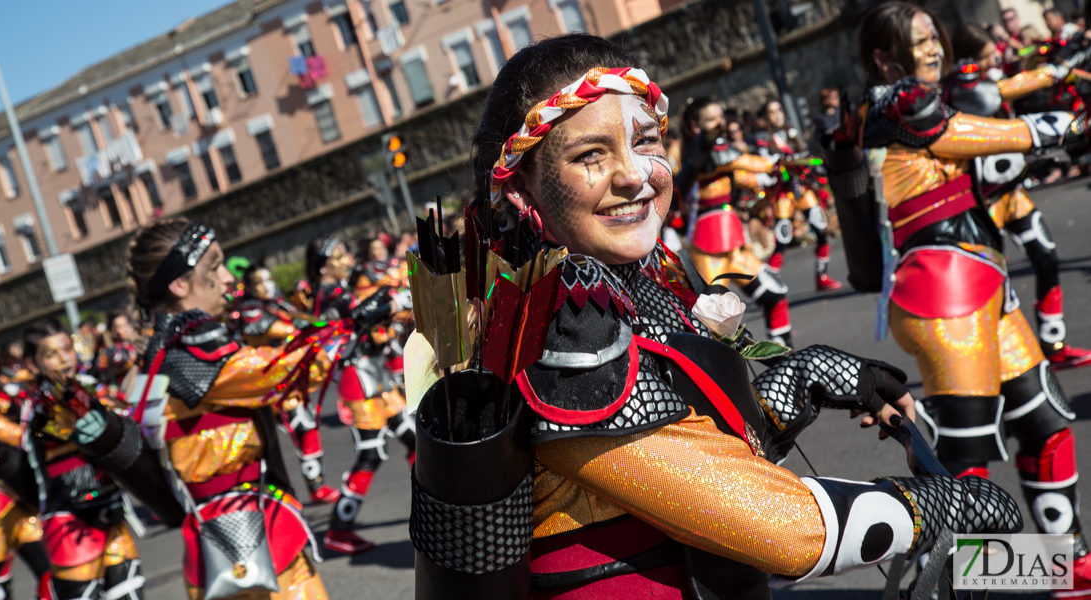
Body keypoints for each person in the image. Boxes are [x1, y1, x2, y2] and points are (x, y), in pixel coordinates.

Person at [407, 33, 1023, 598]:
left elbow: (698, 433)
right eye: (591, 155)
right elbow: (778, 529)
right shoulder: (552, 325)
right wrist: (929, 508)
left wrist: (814, 376)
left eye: (645, 140)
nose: (635, 176)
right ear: (521, 189)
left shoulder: (633, 277)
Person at [829, 3, 1091, 595]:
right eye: (918, 39)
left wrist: (1051, 74)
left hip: (986, 288)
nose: (932, 46)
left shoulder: (921, 96)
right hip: (943, 298)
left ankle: (1064, 569)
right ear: (883, 54)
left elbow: (982, 91)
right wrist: (1054, 128)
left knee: (1048, 427)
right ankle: (958, 584)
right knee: (963, 465)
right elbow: (957, 130)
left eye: (932, 36)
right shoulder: (896, 103)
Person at [82, 218, 331, 600]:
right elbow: (282, 372)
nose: (228, 278)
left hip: (220, 541)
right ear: (179, 284)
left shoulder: (163, 346)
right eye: (214, 266)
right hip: (252, 544)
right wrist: (343, 328)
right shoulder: (189, 348)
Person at [949, 22, 1091, 369]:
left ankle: (1051, 343)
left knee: (1047, 258)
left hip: (1012, 193)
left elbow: (1017, 75)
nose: (992, 60)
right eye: (984, 58)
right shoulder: (958, 89)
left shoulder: (988, 76)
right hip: (983, 203)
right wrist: (1056, 68)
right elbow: (996, 93)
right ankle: (992, 360)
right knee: (991, 284)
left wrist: (1063, 53)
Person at [20, 319, 145, 600]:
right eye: (51, 354)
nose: (64, 358)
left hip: (110, 513)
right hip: (68, 521)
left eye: (67, 348)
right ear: (33, 363)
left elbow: (129, 414)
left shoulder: (88, 386)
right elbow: (47, 429)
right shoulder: (35, 406)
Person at [303, 235, 411, 555]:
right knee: (371, 453)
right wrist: (397, 299)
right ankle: (339, 528)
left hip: (375, 374)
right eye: (339, 255)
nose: (346, 258)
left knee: (413, 438)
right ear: (325, 266)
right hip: (358, 379)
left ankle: (434, 504)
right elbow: (362, 314)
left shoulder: (336, 291)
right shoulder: (329, 293)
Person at [676, 96, 797, 345]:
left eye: (721, 117)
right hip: (708, 247)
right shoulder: (698, 154)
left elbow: (741, 174)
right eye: (712, 119)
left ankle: (786, 361)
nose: (721, 123)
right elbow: (738, 161)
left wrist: (772, 178)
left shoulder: (720, 156)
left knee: (775, 294)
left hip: (733, 244)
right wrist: (772, 164)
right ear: (695, 126)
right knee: (717, 327)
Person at [234, 263, 340, 504]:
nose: (267, 285)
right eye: (260, 282)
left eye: (268, 279)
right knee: (283, 436)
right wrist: (304, 328)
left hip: (289, 381)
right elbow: (274, 329)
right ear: (250, 287)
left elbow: (302, 322)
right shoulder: (250, 309)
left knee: (307, 426)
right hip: (268, 387)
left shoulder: (277, 304)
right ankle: (280, 494)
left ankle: (316, 486)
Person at [0, 339, 50, 600]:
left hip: (18, 500)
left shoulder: (0, 393)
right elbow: (9, 433)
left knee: (48, 570)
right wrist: (51, 433)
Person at [756, 99, 843, 291]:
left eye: (779, 110)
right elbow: (764, 167)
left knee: (820, 228)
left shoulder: (790, 132)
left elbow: (804, 154)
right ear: (766, 117)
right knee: (784, 236)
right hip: (782, 191)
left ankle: (822, 276)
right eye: (772, 111)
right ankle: (770, 281)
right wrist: (779, 164)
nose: (777, 114)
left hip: (801, 187)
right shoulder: (763, 139)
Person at [94, 311, 141, 386]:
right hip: (128, 390)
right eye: (120, 326)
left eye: (127, 324)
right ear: (112, 332)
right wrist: (140, 355)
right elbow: (128, 364)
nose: (126, 329)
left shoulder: (136, 344)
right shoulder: (113, 351)